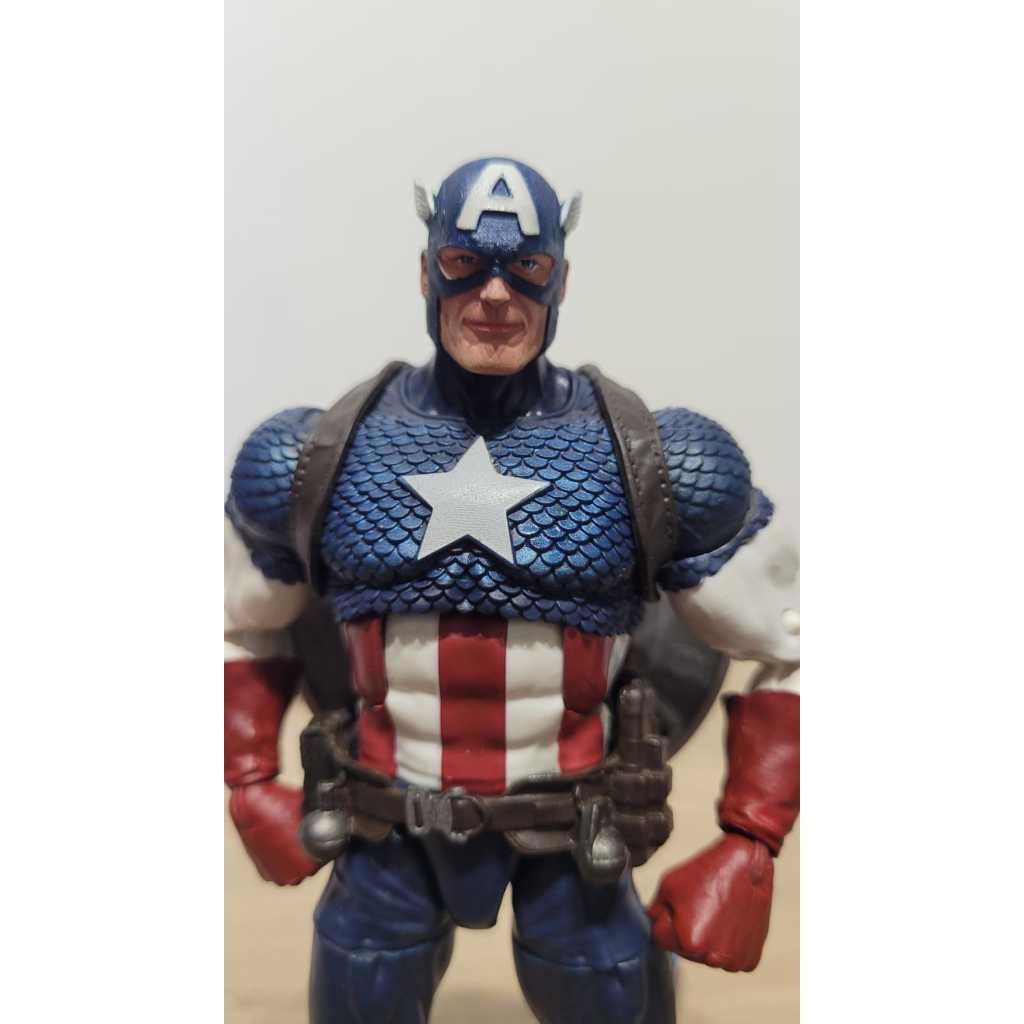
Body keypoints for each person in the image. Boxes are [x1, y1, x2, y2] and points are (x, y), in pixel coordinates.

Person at [224, 156, 799, 1024]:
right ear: (427, 273)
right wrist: (248, 779)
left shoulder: (655, 460)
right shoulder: (316, 457)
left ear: (560, 280)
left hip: (576, 833)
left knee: (610, 997)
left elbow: (793, 642)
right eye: (466, 264)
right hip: (385, 826)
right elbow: (242, 623)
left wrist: (750, 842)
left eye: (524, 268)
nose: (494, 295)